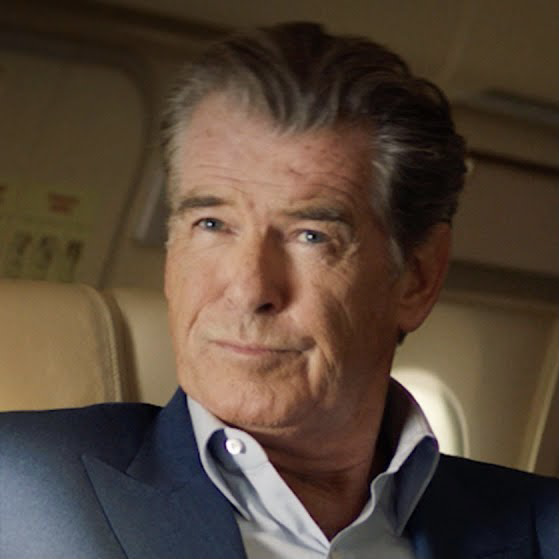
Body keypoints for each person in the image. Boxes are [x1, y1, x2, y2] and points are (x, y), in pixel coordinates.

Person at [1, 22, 557, 559]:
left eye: (311, 236)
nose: (249, 291)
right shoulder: (17, 487)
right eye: (212, 225)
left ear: (416, 277)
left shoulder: (543, 531)